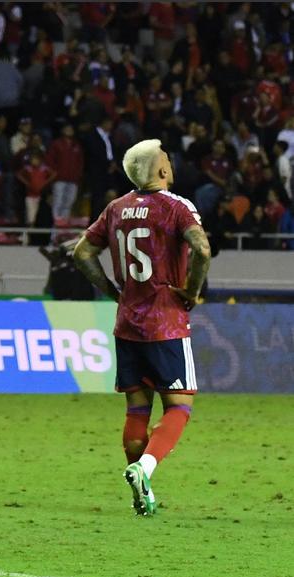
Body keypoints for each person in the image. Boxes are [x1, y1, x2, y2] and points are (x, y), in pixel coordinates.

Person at [72, 139, 211, 516]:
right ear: (162, 171)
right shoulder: (176, 206)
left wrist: (113, 292)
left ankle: (141, 494)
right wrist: (192, 292)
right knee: (179, 407)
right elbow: (202, 249)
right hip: (166, 322)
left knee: (137, 408)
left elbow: (81, 252)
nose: (171, 163)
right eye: (167, 159)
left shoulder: (115, 208)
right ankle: (144, 468)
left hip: (127, 324)